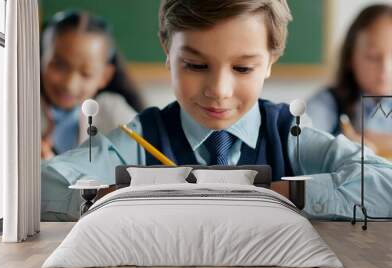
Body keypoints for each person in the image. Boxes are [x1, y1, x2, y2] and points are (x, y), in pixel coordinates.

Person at [42, 0, 392, 221]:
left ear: (270, 61)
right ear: (167, 48)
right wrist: (126, 197)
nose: (219, 91)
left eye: (242, 69)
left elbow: (384, 184)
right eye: (195, 64)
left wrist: (272, 191)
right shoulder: (140, 137)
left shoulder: (290, 135)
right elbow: (41, 185)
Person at [40, 10, 144, 159]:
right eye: (59, 66)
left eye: (86, 73)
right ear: (40, 58)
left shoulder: (111, 111)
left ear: (104, 76)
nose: (70, 84)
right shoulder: (20, 108)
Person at [307, 4, 392, 157]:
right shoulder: (327, 103)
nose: (385, 69)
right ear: (350, 58)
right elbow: (302, 144)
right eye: (373, 57)